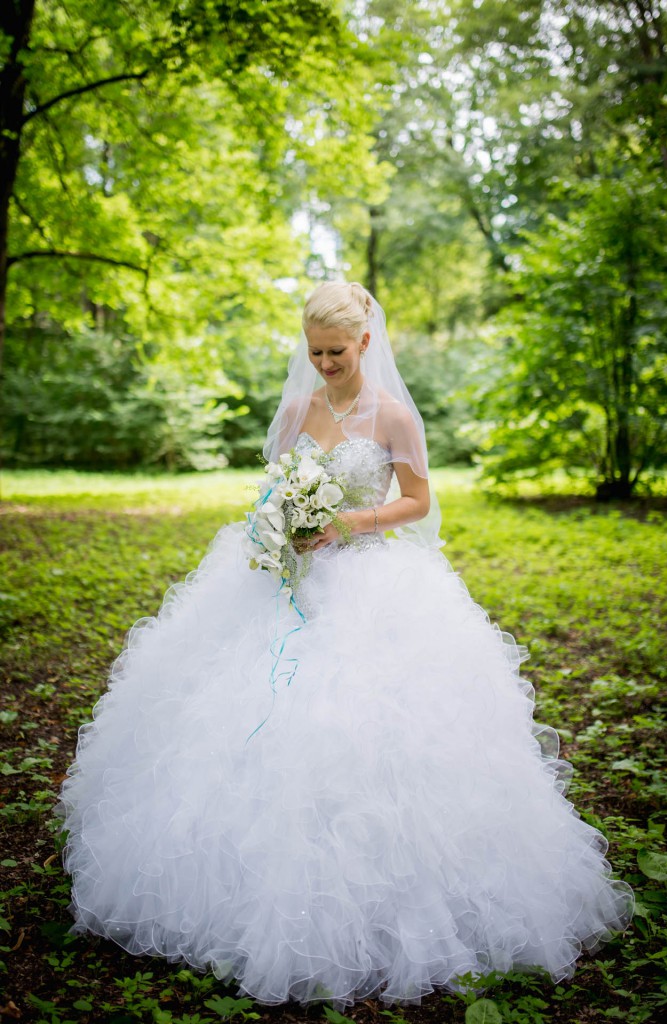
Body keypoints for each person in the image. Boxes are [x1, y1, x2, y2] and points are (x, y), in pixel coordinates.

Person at [55, 282, 633, 1008]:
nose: (324, 363)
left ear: (365, 343)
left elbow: (418, 502)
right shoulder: (300, 408)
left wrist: (347, 522)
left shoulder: (392, 416)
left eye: (336, 350)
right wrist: (281, 523)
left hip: (367, 577)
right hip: (291, 576)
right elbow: (273, 485)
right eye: (314, 350)